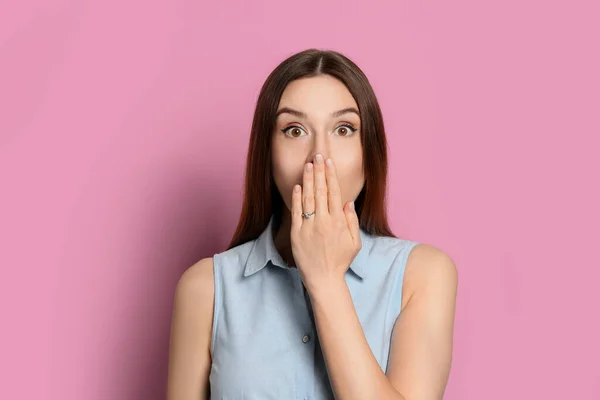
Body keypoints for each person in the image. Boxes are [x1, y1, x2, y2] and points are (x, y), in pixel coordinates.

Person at [167, 48, 458, 400]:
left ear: (370, 153)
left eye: (344, 129)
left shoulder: (422, 274)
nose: (320, 156)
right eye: (294, 130)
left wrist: (326, 280)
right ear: (267, 153)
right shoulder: (206, 289)